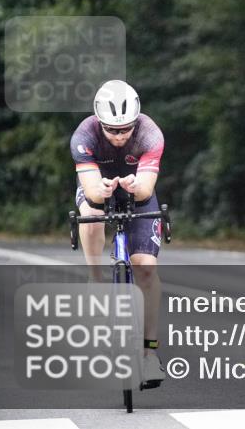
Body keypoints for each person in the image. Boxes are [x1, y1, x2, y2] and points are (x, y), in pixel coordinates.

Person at [70, 79, 166, 386]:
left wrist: (134, 186)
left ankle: (150, 355)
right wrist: (104, 189)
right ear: (100, 123)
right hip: (98, 188)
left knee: (146, 268)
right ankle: (94, 277)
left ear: (136, 121)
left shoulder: (150, 133)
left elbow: (146, 190)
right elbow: (93, 192)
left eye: (125, 129)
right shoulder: (83, 136)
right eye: (112, 129)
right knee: (92, 213)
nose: (120, 135)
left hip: (137, 191)